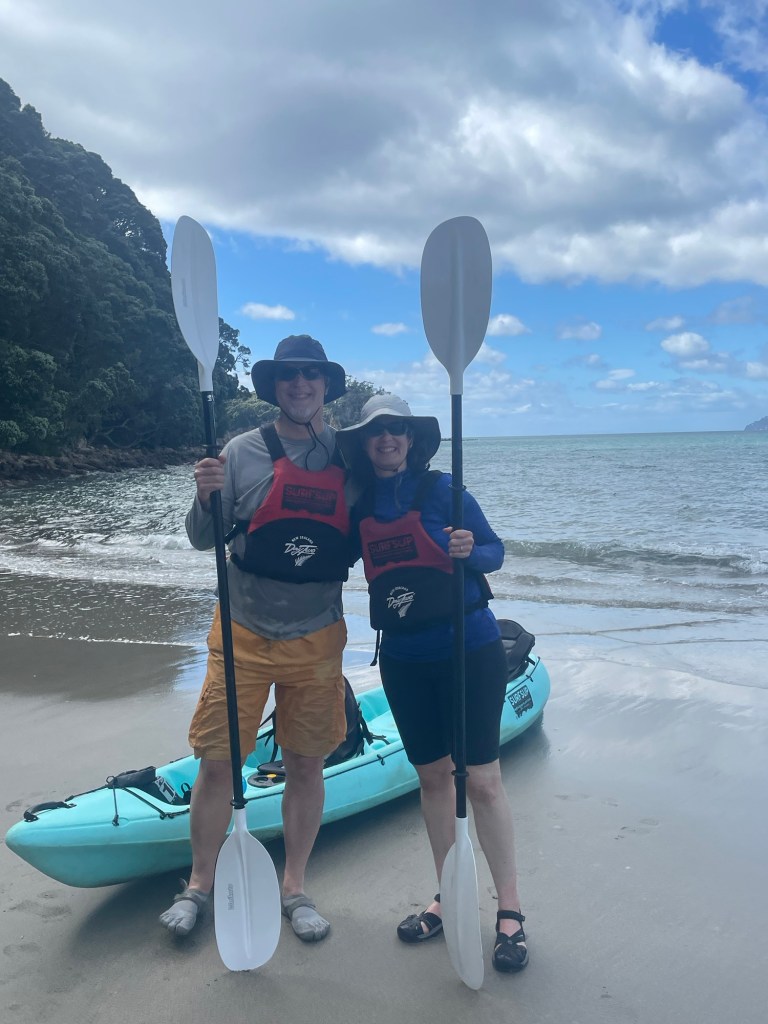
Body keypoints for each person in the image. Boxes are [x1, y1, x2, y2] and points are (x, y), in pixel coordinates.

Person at [160, 335, 353, 944]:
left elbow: (388, 517)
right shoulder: (241, 452)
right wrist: (204, 496)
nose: (300, 384)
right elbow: (202, 538)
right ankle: (198, 884)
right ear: (274, 386)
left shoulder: (350, 456)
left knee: (306, 764)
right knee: (218, 763)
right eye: (289, 375)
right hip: (242, 633)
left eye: (311, 374)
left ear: (326, 384)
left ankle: (294, 887)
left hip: (317, 638)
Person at [337, 394, 529, 973]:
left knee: (484, 783)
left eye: (397, 429)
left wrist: (471, 549)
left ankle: (510, 912)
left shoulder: (446, 490)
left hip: (468, 650)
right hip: (402, 658)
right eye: (376, 431)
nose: (387, 438)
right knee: (432, 778)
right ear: (363, 443)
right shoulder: (359, 503)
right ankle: (449, 895)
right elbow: (324, 556)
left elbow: (495, 551)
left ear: (412, 438)